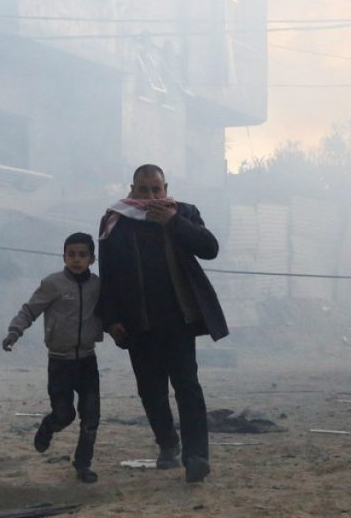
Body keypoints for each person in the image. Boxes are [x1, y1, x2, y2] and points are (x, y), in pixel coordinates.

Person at [97, 164, 227, 484]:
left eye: (157, 189)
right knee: (151, 391)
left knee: (187, 386)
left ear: (166, 188)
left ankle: (196, 457)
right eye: (144, 189)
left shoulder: (183, 213)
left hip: (179, 320)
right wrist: (110, 319)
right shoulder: (117, 219)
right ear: (133, 189)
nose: (152, 196)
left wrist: (173, 222)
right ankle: (168, 443)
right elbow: (108, 273)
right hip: (138, 322)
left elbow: (209, 248)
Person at [2, 232, 104, 484]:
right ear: (64, 256)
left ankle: (83, 464)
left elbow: (109, 312)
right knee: (64, 414)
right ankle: (49, 426)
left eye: (82, 255)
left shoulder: (98, 286)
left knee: (91, 416)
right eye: (72, 255)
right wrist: (15, 331)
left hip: (87, 359)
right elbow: (30, 310)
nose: (77, 260)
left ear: (92, 259)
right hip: (60, 361)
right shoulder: (53, 284)